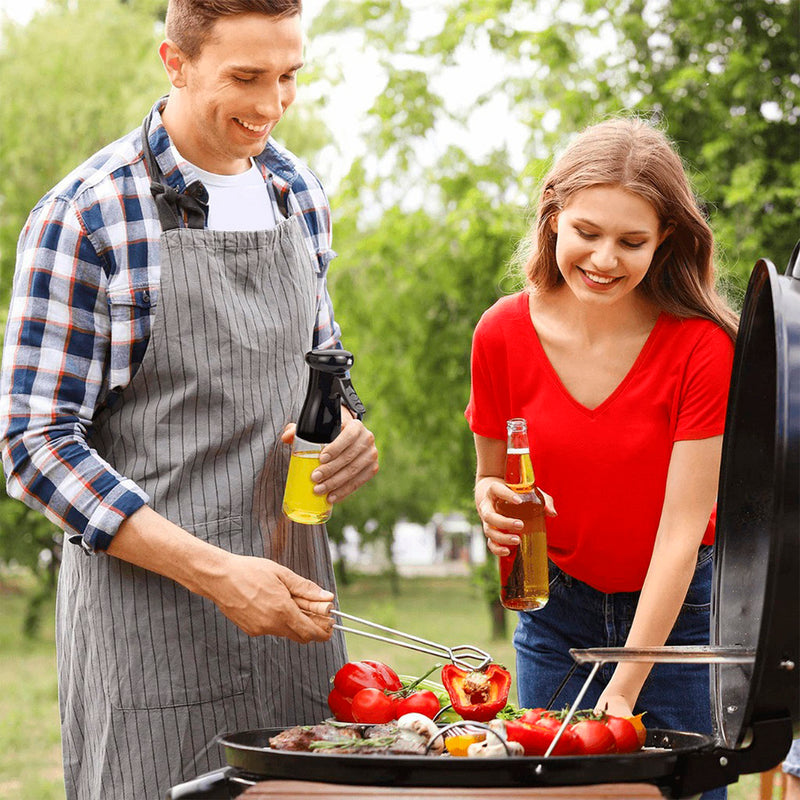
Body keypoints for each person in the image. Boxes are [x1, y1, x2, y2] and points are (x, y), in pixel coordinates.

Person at [0, 2, 379, 798]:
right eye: (246, 77)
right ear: (174, 61)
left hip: (295, 618)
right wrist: (215, 574)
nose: (272, 105)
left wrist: (346, 426)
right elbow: (36, 446)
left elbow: (324, 371)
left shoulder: (297, 193)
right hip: (149, 634)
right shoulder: (88, 215)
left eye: (289, 76)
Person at [466, 118, 737, 798]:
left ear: (667, 239)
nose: (604, 259)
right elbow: (491, 477)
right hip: (556, 614)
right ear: (552, 215)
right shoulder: (500, 333)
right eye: (587, 232)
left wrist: (624, 687)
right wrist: (488, 503)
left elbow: (681, 534)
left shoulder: (703, 349)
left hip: (682, 622)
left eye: (631, 241)